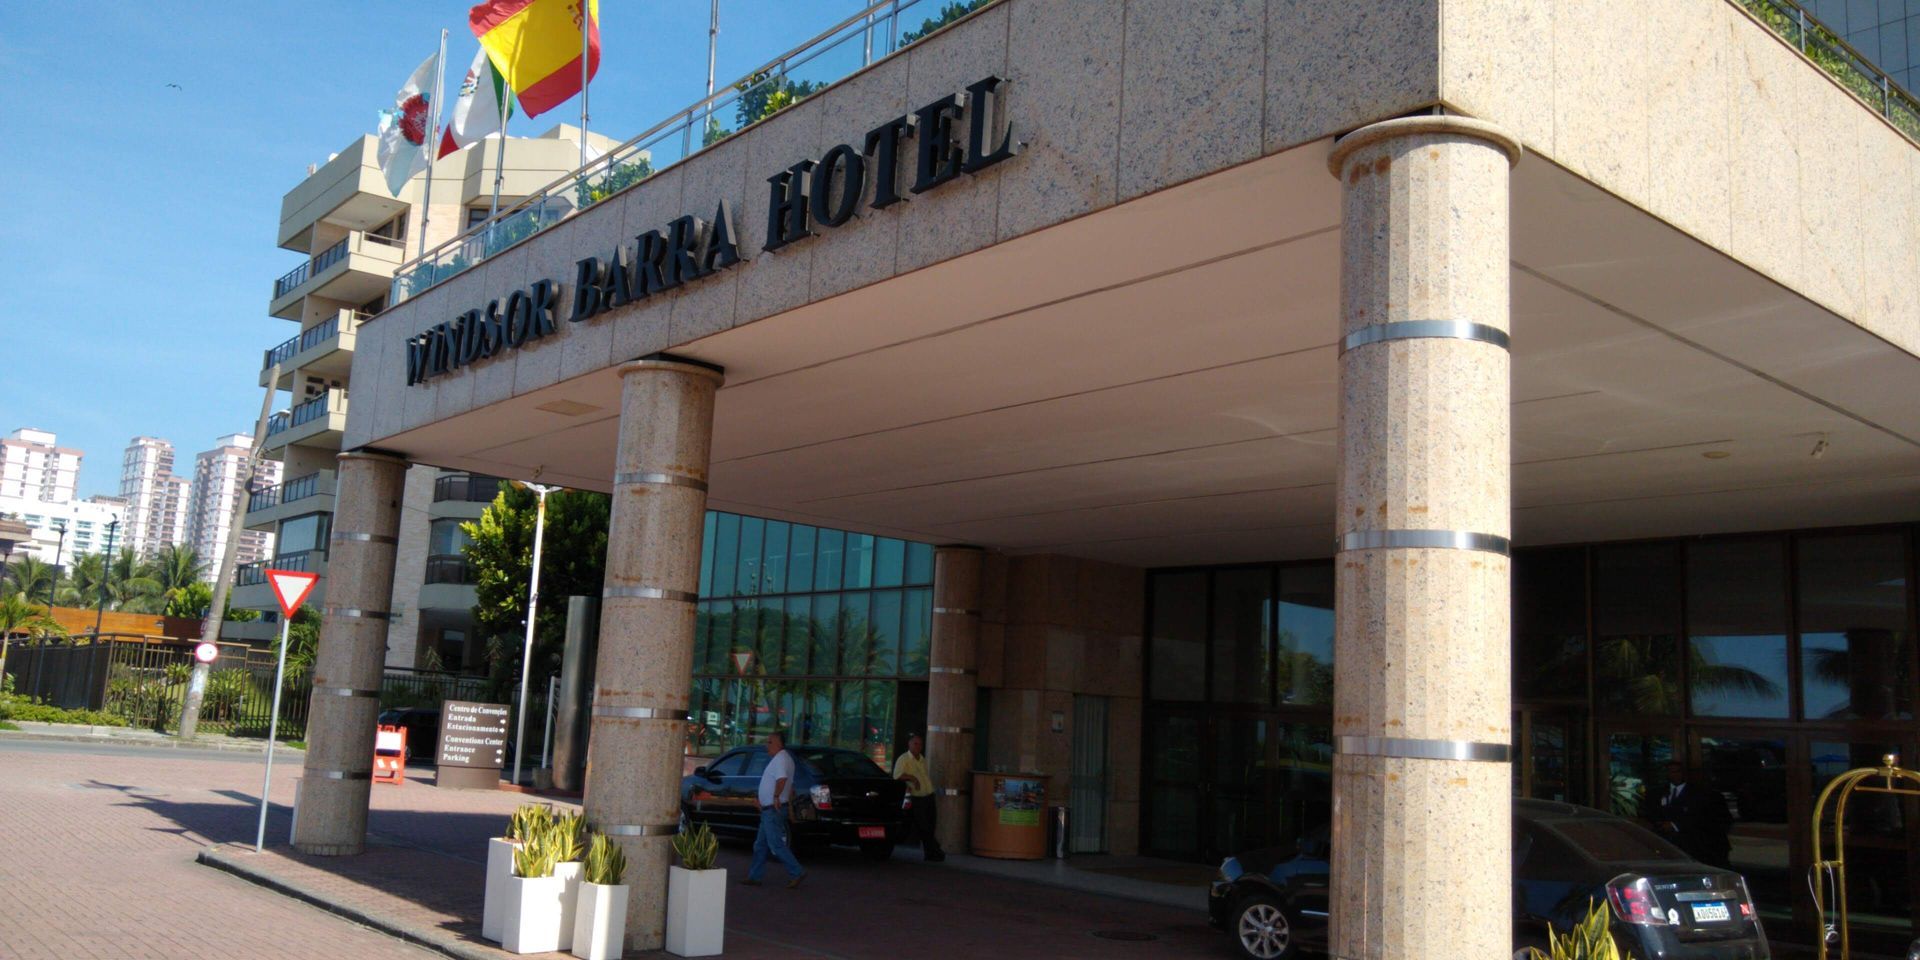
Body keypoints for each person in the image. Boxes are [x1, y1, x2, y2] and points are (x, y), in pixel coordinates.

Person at [743, 730, 806, 888]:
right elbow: (789, 786)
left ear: (778, 743)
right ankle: (755, 876)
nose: (767, 745)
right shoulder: (786, 759)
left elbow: (782, 779)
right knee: (761, 844)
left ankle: (796, 871)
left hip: (772, 809)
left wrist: (776, 797)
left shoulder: (780, 759)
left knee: (775, 844)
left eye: (770, 742)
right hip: (770, 809)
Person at [1643, 761, 1732, 868]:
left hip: (1697, 847)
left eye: (1678, 771)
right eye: (1671, 772)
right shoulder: (1656, 793)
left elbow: (1708, 819)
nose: (1675, 775)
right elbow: (1649, 812)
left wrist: (1675, 825)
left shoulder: (1703, 794)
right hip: (1668, 846)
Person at [892, 733, 944, 862]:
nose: (918, 746)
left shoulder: (922, 759)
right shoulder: (904, 759)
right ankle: (934, 850)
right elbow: (897, 776)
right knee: (923, 825)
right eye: (915, 743)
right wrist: (912, 778)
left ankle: (931, 852)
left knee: (931, 824)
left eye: (920, 744)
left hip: (928, 794)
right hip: (916, 797)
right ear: (909, 744)